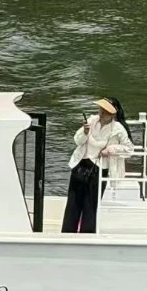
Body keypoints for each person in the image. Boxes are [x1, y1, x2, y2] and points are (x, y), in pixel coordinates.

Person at [62, 97, 134, 233]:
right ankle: (67, 232)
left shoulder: (118, 128)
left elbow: (129, 149)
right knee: (73, 203)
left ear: (112, 114)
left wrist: (111, 149)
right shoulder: (91, 121)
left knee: (90, 205)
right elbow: (77, 141)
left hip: (98, 168)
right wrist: (84, 132)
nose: (101, 113)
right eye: (101, 110)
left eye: (105, 111)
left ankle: (87, 234)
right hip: (81, 164)